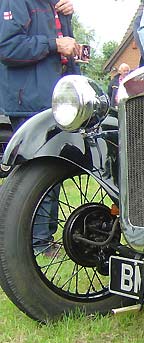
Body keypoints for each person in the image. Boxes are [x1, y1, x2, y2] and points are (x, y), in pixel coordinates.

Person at [0, 0, 80, 257]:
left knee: (52, 172)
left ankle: (45, 238)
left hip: (57, 102)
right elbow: (7, 46)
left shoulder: (56, 6)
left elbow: (65, 51)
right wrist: (54, 44)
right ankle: (36, 242)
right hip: (30, 102)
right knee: (35, 173)